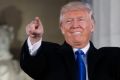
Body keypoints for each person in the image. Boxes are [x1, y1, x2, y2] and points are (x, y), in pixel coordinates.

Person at [20, 1, 120, 80]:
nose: (75, 25)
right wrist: (35, 39)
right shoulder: (49, 54)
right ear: (62, 28)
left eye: (81, 19)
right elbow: (32, 66)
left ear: (92, 26)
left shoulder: (112, 57)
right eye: (68, 21)